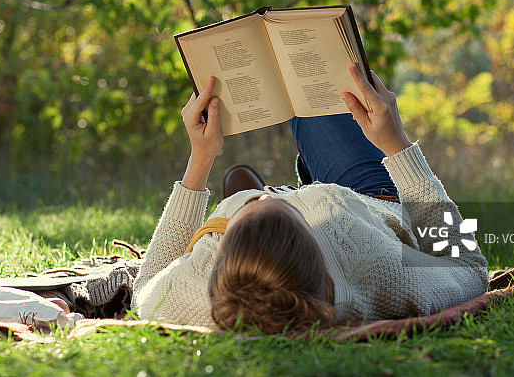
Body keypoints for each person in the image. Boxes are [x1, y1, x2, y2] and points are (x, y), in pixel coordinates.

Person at [132, 64, 488, 333]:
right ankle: (252, 191)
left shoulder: (191, 295)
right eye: (282, 200)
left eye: (248, 204)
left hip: (288, 233)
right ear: (331, 282)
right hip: (369, 200)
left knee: (244, 195)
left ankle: (240, 192)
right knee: (315, 76)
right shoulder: (380, 272)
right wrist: (397, 145)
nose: (268, 196)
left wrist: (201, 156)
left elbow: (147, 280)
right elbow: (468, 268)